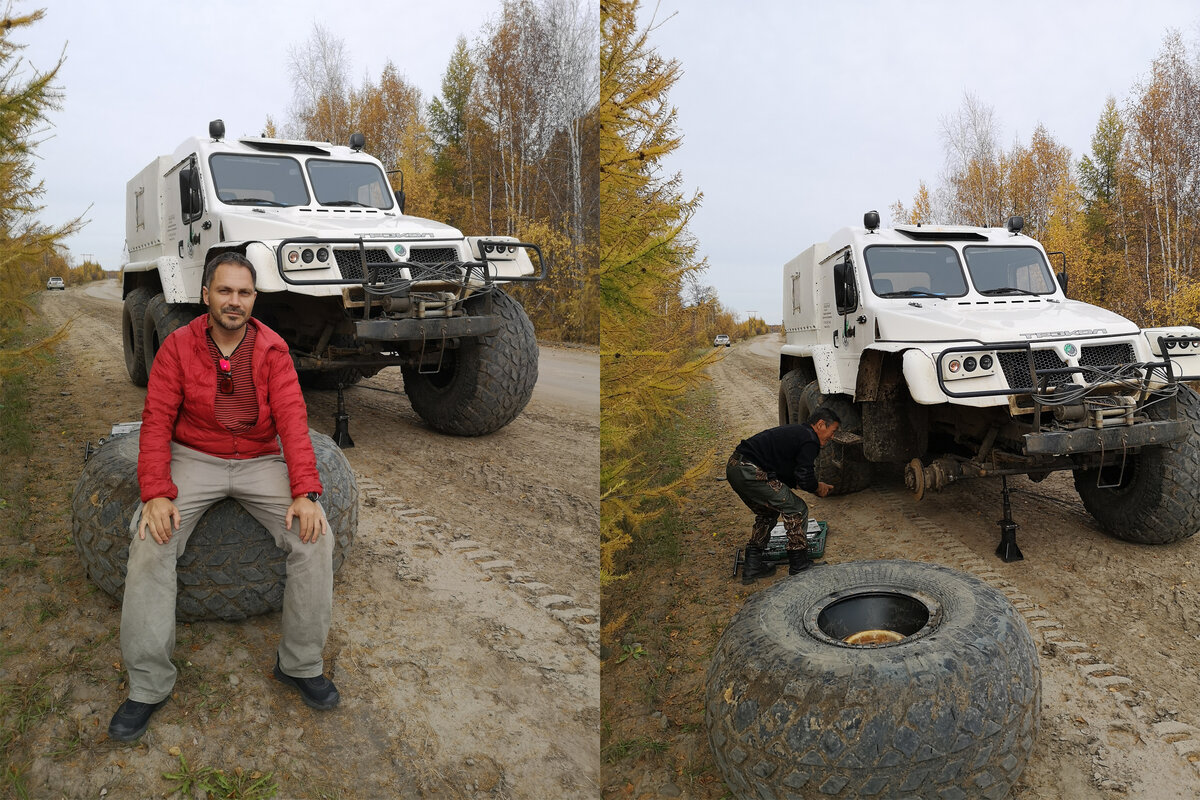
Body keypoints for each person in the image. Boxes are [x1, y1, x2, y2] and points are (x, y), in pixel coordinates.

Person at [108, 252, 338, 743]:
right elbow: (156, 422)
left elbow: (295, 423)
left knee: (315, 536)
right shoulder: (176, 347)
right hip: (196, 458)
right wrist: (155, 492)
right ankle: (148, 684)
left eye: (244, 292)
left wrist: (306, 491)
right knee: (150, 539)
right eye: (225, 291)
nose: (234, 301)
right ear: (206, 295)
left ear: (255, 299)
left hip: (259, 461)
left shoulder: (273, 350)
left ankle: (299, 663)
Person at [726, 408, 841, 584]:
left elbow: (785, 471)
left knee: (768, 512)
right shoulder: (810, 439)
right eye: (832, 431)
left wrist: (801, 483)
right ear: (820, 425)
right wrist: (817, 487)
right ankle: (799, 564)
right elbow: (805, 476)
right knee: (797, 508)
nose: (832, 437)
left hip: (735, 468)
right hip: (750, 469)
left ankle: (752, 565)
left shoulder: (798, 434)